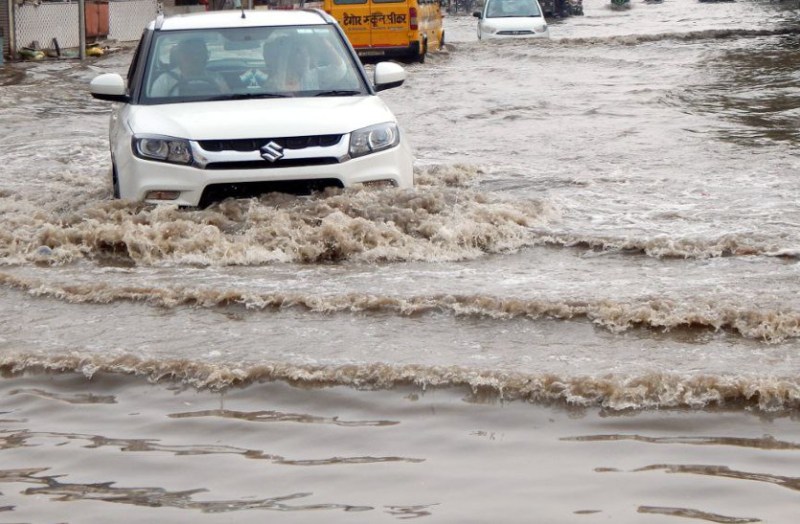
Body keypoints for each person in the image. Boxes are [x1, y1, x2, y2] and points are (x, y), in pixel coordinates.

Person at [150, 38, 228, 97]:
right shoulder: (165, 81)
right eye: (190, 54)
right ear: (180, 57)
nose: (195, 58)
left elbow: (226, 103)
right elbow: (153, 110)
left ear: (206, 56)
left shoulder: (216, 78)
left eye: (199, 53)